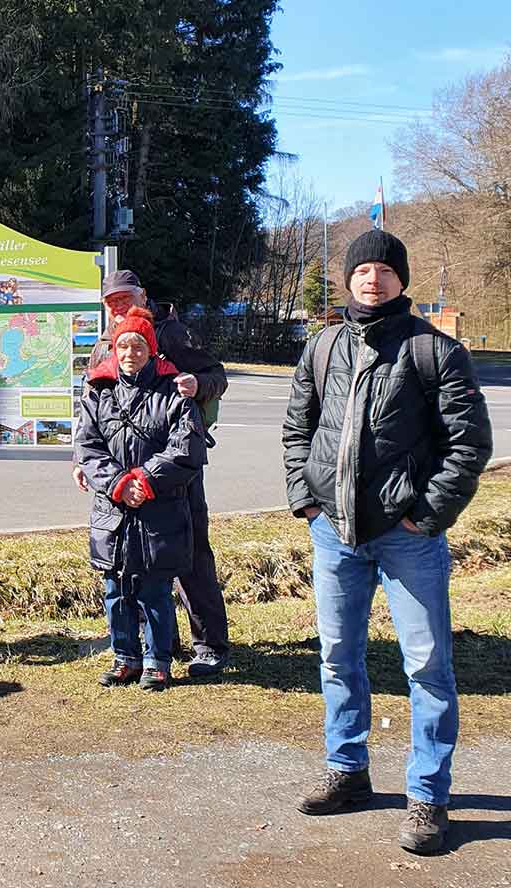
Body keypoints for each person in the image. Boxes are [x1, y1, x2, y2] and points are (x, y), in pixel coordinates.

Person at [282, 230, 492, 854]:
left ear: (401, 279)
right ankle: (347, 772)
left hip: (408, 540)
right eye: (361, 268)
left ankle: (428, 797)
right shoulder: (321, 347)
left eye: (383, 268)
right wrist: (306, 496)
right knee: (336, 658)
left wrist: (425, 515)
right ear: (347, 279)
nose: (371, 278)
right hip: (334, 533)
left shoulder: (435, 352)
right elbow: (299, 426)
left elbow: (469, 445)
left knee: (428, 667)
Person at [74, 269, 231, 676]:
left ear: (142, 293)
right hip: (119, 477)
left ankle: (209, 644)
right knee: (130, 560)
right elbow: (92, 407)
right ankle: (156, 648)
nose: (119, 304)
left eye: (125, 296)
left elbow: (218, 375)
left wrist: (198, 384)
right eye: (111, 301)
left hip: (174, 470)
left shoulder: (173, 334)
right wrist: (82, 463)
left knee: (190, 553)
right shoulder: (106, 341)